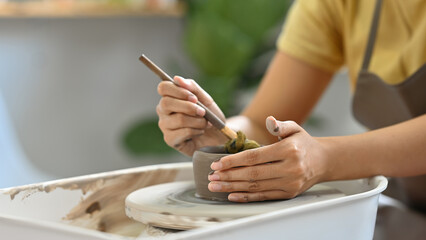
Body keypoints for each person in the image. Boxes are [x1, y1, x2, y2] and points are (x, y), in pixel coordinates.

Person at [155, 0, 426, 207]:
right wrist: (220, 134)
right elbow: (261, 123)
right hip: (405, 204)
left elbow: (321, 158)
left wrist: (325, 158)